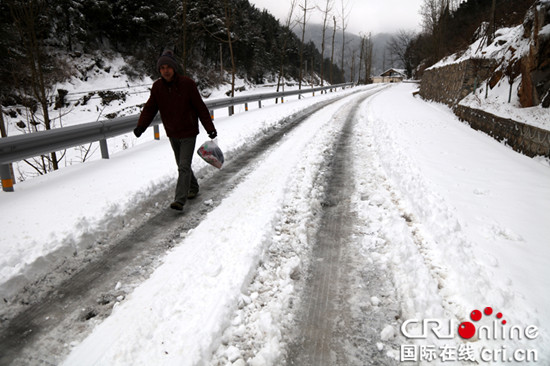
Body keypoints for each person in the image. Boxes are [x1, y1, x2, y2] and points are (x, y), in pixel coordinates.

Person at [134, 49, 217, 211]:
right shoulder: (157, 87)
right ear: (159, 70)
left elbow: (200, 107)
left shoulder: (188, 84)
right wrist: (141, 126)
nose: (166, 70)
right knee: (182, 164)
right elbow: (150, 108)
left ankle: (180, 199)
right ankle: (193, 187)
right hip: (172, 132)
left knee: (183, 165)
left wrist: (210, 128)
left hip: (188, 132)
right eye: (162, 67)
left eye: (168, 67)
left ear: (174, 68)